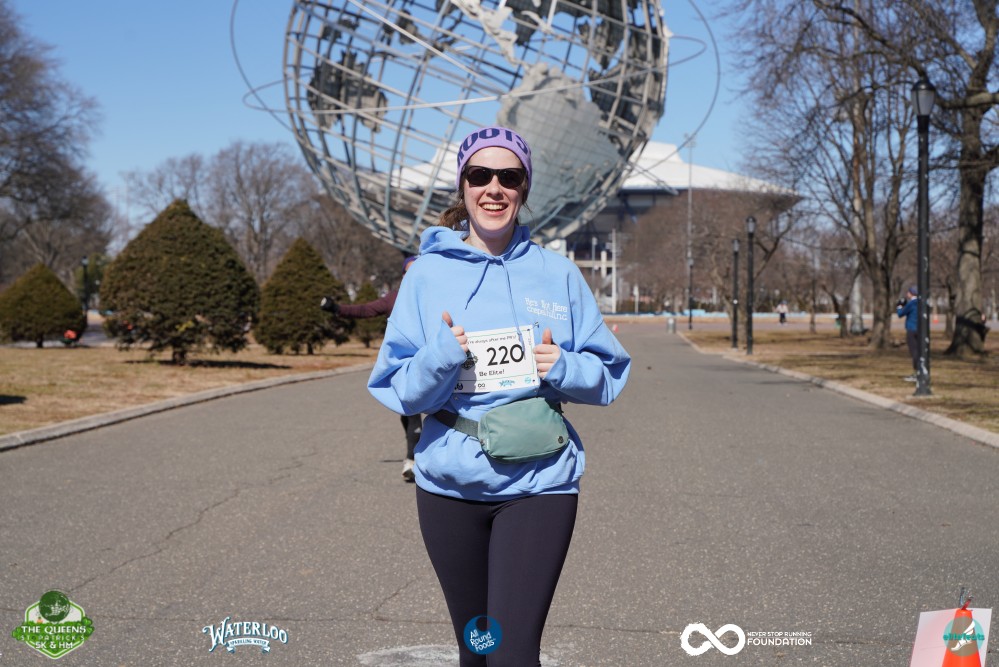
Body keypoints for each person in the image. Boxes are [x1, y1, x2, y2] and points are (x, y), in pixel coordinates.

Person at [367, 126, 631, 666]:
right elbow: (397, 388)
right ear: (462, 186)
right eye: (479, 175)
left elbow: (609, 373)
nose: (494, 188)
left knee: (512, 653)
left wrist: (565, 367)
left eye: (508, 177)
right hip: (449, 487)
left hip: (539, 482)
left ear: (523, 188)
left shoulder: (557, 273)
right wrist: (440, 357)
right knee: (478, 650)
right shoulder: (426, 275)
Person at [321, 256, 420, 481]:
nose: (413, 275)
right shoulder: (394, 298)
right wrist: (336, 308)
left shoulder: (432, 294)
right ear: (403, 275)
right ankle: (412, 459)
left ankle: (419, 457)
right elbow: (366, 309)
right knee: (409, 412)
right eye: (409, 272)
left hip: (432, 359)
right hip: (404, 363)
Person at [896, 285, 919, 382]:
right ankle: (920, 372)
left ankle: (917, 373)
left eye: (908, 292)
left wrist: (899, 306)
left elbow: (900, 314)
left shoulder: (912, 303)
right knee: (920, 351)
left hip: (911, 329)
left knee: (914, 352)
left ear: (911, 293)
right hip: (921, 330)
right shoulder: (921, 303)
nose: (907, 294)